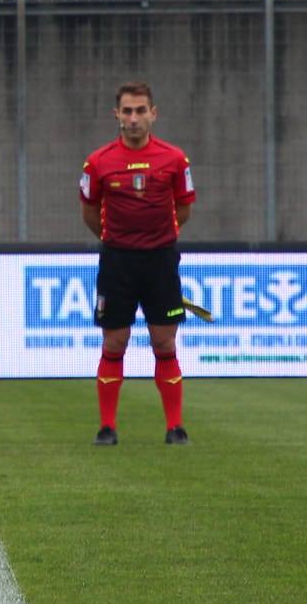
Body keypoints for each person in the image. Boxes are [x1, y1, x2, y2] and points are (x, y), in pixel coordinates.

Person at [79, 81, 196, 446]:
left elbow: (184, 207)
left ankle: (175, 427)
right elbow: (89, 211)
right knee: (114, 342)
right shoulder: (98, 162)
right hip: (117, 261)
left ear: (153, 113)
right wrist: (119, 240)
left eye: (140, 110)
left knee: (164, 342)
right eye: (127, 111)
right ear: (116, 115)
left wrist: (157, 238)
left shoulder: (175, 159)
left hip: (160, 259)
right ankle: (107, 427)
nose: (133, 118)